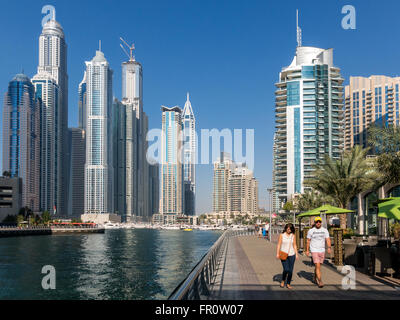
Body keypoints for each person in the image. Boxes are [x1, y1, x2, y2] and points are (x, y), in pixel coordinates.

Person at [305, 217, 332, 288]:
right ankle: (320, 281)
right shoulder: (311, 231)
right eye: (317, 222)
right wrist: (307, 250)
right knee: (317, 265)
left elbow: (328, 239)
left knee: (319, 266)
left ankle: (314, 276)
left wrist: (329, 247)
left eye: (319, 222)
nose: (318, 223)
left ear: (321, 222)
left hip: (322, 250)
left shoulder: (325, 230)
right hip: (314, 250)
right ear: (314, 222)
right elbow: (308, 241)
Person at [276, 223, 298, 289]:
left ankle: (288, 283)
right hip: (283, 254)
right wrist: (277, 253)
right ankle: (283, 280)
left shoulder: (293, 236)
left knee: (290, 271)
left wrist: (296, 254)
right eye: (288, 228)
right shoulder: (282, 235)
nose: (289, 229)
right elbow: (279, 244)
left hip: (292, 255)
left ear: (292, 229)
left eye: (290, 228)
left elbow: (294, 245)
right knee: (286, 269)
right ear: (285, 228)